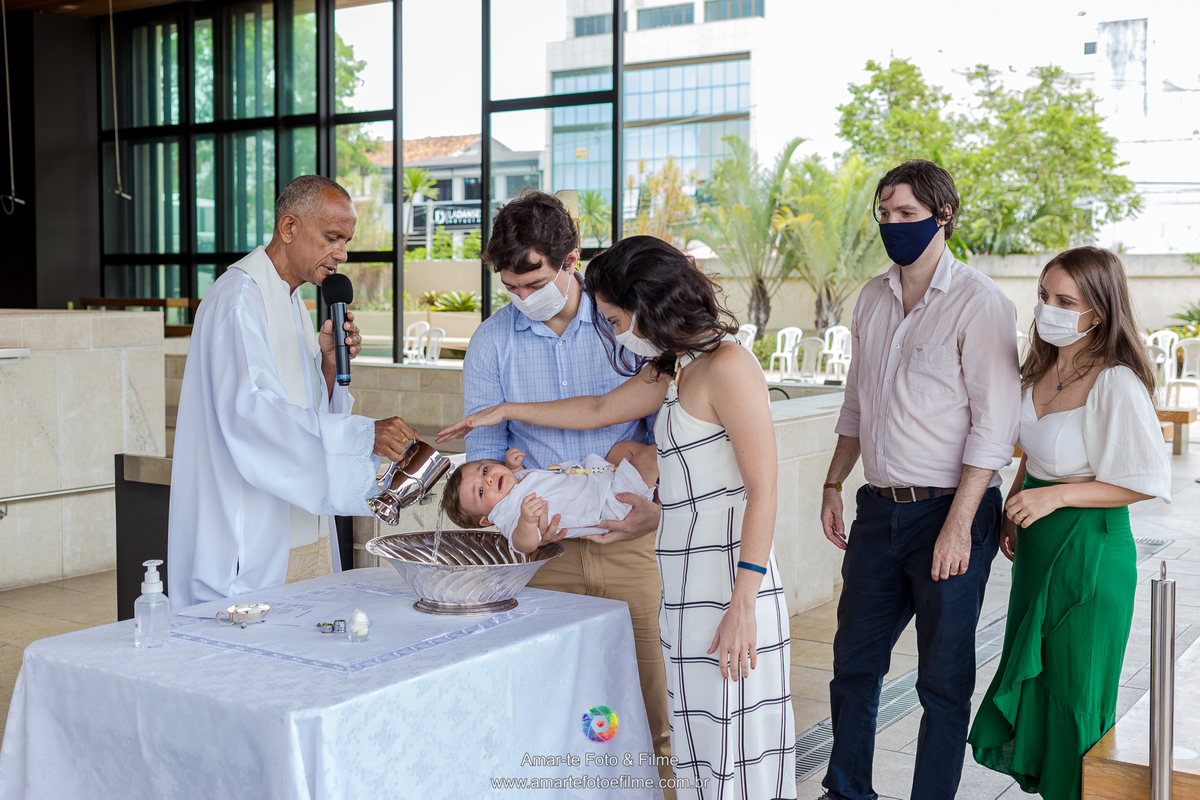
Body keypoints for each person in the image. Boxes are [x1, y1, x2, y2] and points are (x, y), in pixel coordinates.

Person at [441, 235, 796, 798]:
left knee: (733, 742)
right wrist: (505, 409)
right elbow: (600, 410)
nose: (611, 332)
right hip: (683, 577)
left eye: (612, 318)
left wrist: (744, 605)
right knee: (697, 738)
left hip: (726, 578)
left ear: (647, 305)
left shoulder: (727, 364)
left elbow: (765, 491)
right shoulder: (674, 368)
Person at [817, 159, 1021, 800]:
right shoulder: (872, 297)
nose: (893, 224)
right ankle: (846, 790)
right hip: (879, 510)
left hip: (950, 512)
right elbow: (857, 400)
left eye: (906, 213)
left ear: (943, 215)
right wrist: (833, 482)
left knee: (941, 679)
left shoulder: (981, 303)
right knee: (854, 666)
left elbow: (993, 427)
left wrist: (960, 525)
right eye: (884, 213)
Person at [460, 191, 674, 788]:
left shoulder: (623, 327)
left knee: (655, 705)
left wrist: (652, 514)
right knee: (555, 713)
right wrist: (517, 528)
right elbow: (483, 454)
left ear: (571, 260)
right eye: (511, 288)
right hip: (544, 556)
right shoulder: (492, 342)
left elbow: (666, 435)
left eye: (535, 283)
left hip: (629, 543)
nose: (522, 300)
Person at [968, 247, 1171, 800]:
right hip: (1038, 546)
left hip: (1091, 551)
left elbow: (1147, 479)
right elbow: (1035, 453)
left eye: (1064, 301)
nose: (1047, 309)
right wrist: (1017, 502)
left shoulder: (1116, 383)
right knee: (1042, 684)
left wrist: (1055, 501)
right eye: (1043, 295)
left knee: (1076, 694)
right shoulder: (1039, 370)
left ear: (1099, 312)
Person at [168, 175, 417, 609]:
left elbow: (303, 410)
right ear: (289, 227)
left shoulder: (292, 301)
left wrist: (328, 366)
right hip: (251, 529)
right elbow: (252, 414)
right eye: (332, 237)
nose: (342, 254)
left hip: (303, 526)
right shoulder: (238, 298)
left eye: (346, 241)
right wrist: (361, 434)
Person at [441, 443, 658, 552]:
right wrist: (526, 522)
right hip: (611, 505)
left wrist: (513, 468)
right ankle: (686, 469)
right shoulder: (508, 517)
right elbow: (523, 544)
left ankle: (667, 480)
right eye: (480, 491)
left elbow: (528, 484)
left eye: (485, 470)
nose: (488, 480)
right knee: (652, 456)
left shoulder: (512, 483)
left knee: (624, 449)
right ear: (487, 519)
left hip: (597, 479)